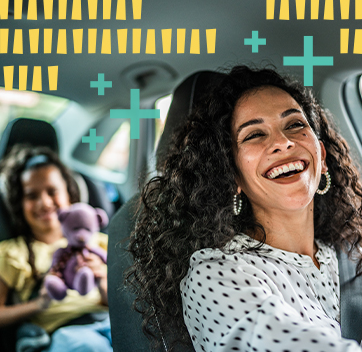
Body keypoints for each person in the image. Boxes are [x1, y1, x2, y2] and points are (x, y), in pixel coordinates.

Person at [125, 65, 362, 352]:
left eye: (295, 125)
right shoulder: (215, 275)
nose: (283, 142)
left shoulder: (352, 251)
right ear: (232, 175)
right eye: (254, 135)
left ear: (321, 156)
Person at [0, 145, 112, 352]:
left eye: (52, 191)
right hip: (64, 333)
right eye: (31, 196)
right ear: (18, 204)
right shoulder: (12, 253)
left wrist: (103, 280)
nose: (44, 203)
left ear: (69, 194)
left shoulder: (100, 242)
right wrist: (38, 304)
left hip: (110, 322)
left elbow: (123, 304)